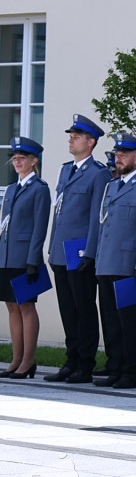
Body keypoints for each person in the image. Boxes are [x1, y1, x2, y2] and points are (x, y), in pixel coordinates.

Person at [44, 114, 111, 384]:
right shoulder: (66, 170)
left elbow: (97, 217)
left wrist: (91, 252)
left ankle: (85, 362)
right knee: (67, 308)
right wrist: (51, 249)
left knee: (83, 307)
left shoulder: (98, 173)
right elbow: (58, 213)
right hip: (62, 250)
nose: (71, 139)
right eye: (70, 135)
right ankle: (71, 360)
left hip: (80, 250)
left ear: (90, 142)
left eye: (76, 136)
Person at [93, 133, 136, 389]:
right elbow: (104, 226)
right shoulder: (112, 186)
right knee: (111, 320)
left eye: (123, 154)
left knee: (129, 321)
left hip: (129, 265)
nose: (118, 158)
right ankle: (115, 366)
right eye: (117, 154)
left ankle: (131, 371)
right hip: (107, 263)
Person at [0, 137, 50, 379]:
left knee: (26, 307)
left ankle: (28, 361)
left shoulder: (39, 189)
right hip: (7, 257)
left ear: (34, 161)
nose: (17, 161)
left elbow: (39, 228)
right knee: (12, 307)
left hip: (25, 259)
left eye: (22, 158)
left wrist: (33, 260)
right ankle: (16, 359)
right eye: (15, 158)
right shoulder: (11, 189)